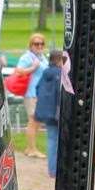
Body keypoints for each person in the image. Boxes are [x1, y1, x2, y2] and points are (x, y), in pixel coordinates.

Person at [15, 34, 48, 158]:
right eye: (36, 44)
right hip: (31, 93)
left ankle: (29, 148)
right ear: (31, 45)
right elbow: (18, 71)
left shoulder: (42, 57)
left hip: (41, 93)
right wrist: (33, 67)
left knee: (37, 121)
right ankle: (32, 149)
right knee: (33, 121)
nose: (39, 46)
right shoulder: (27, 57)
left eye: (41, 44)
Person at [34, 49, 65, 179]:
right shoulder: (60, 74)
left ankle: (52, 169)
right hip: (57, 112)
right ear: (59, 60)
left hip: (46, 112)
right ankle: (57, 169)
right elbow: (61, 93)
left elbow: (37, 88)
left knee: (51, 140)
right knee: (59, 141)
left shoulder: (45, 72)